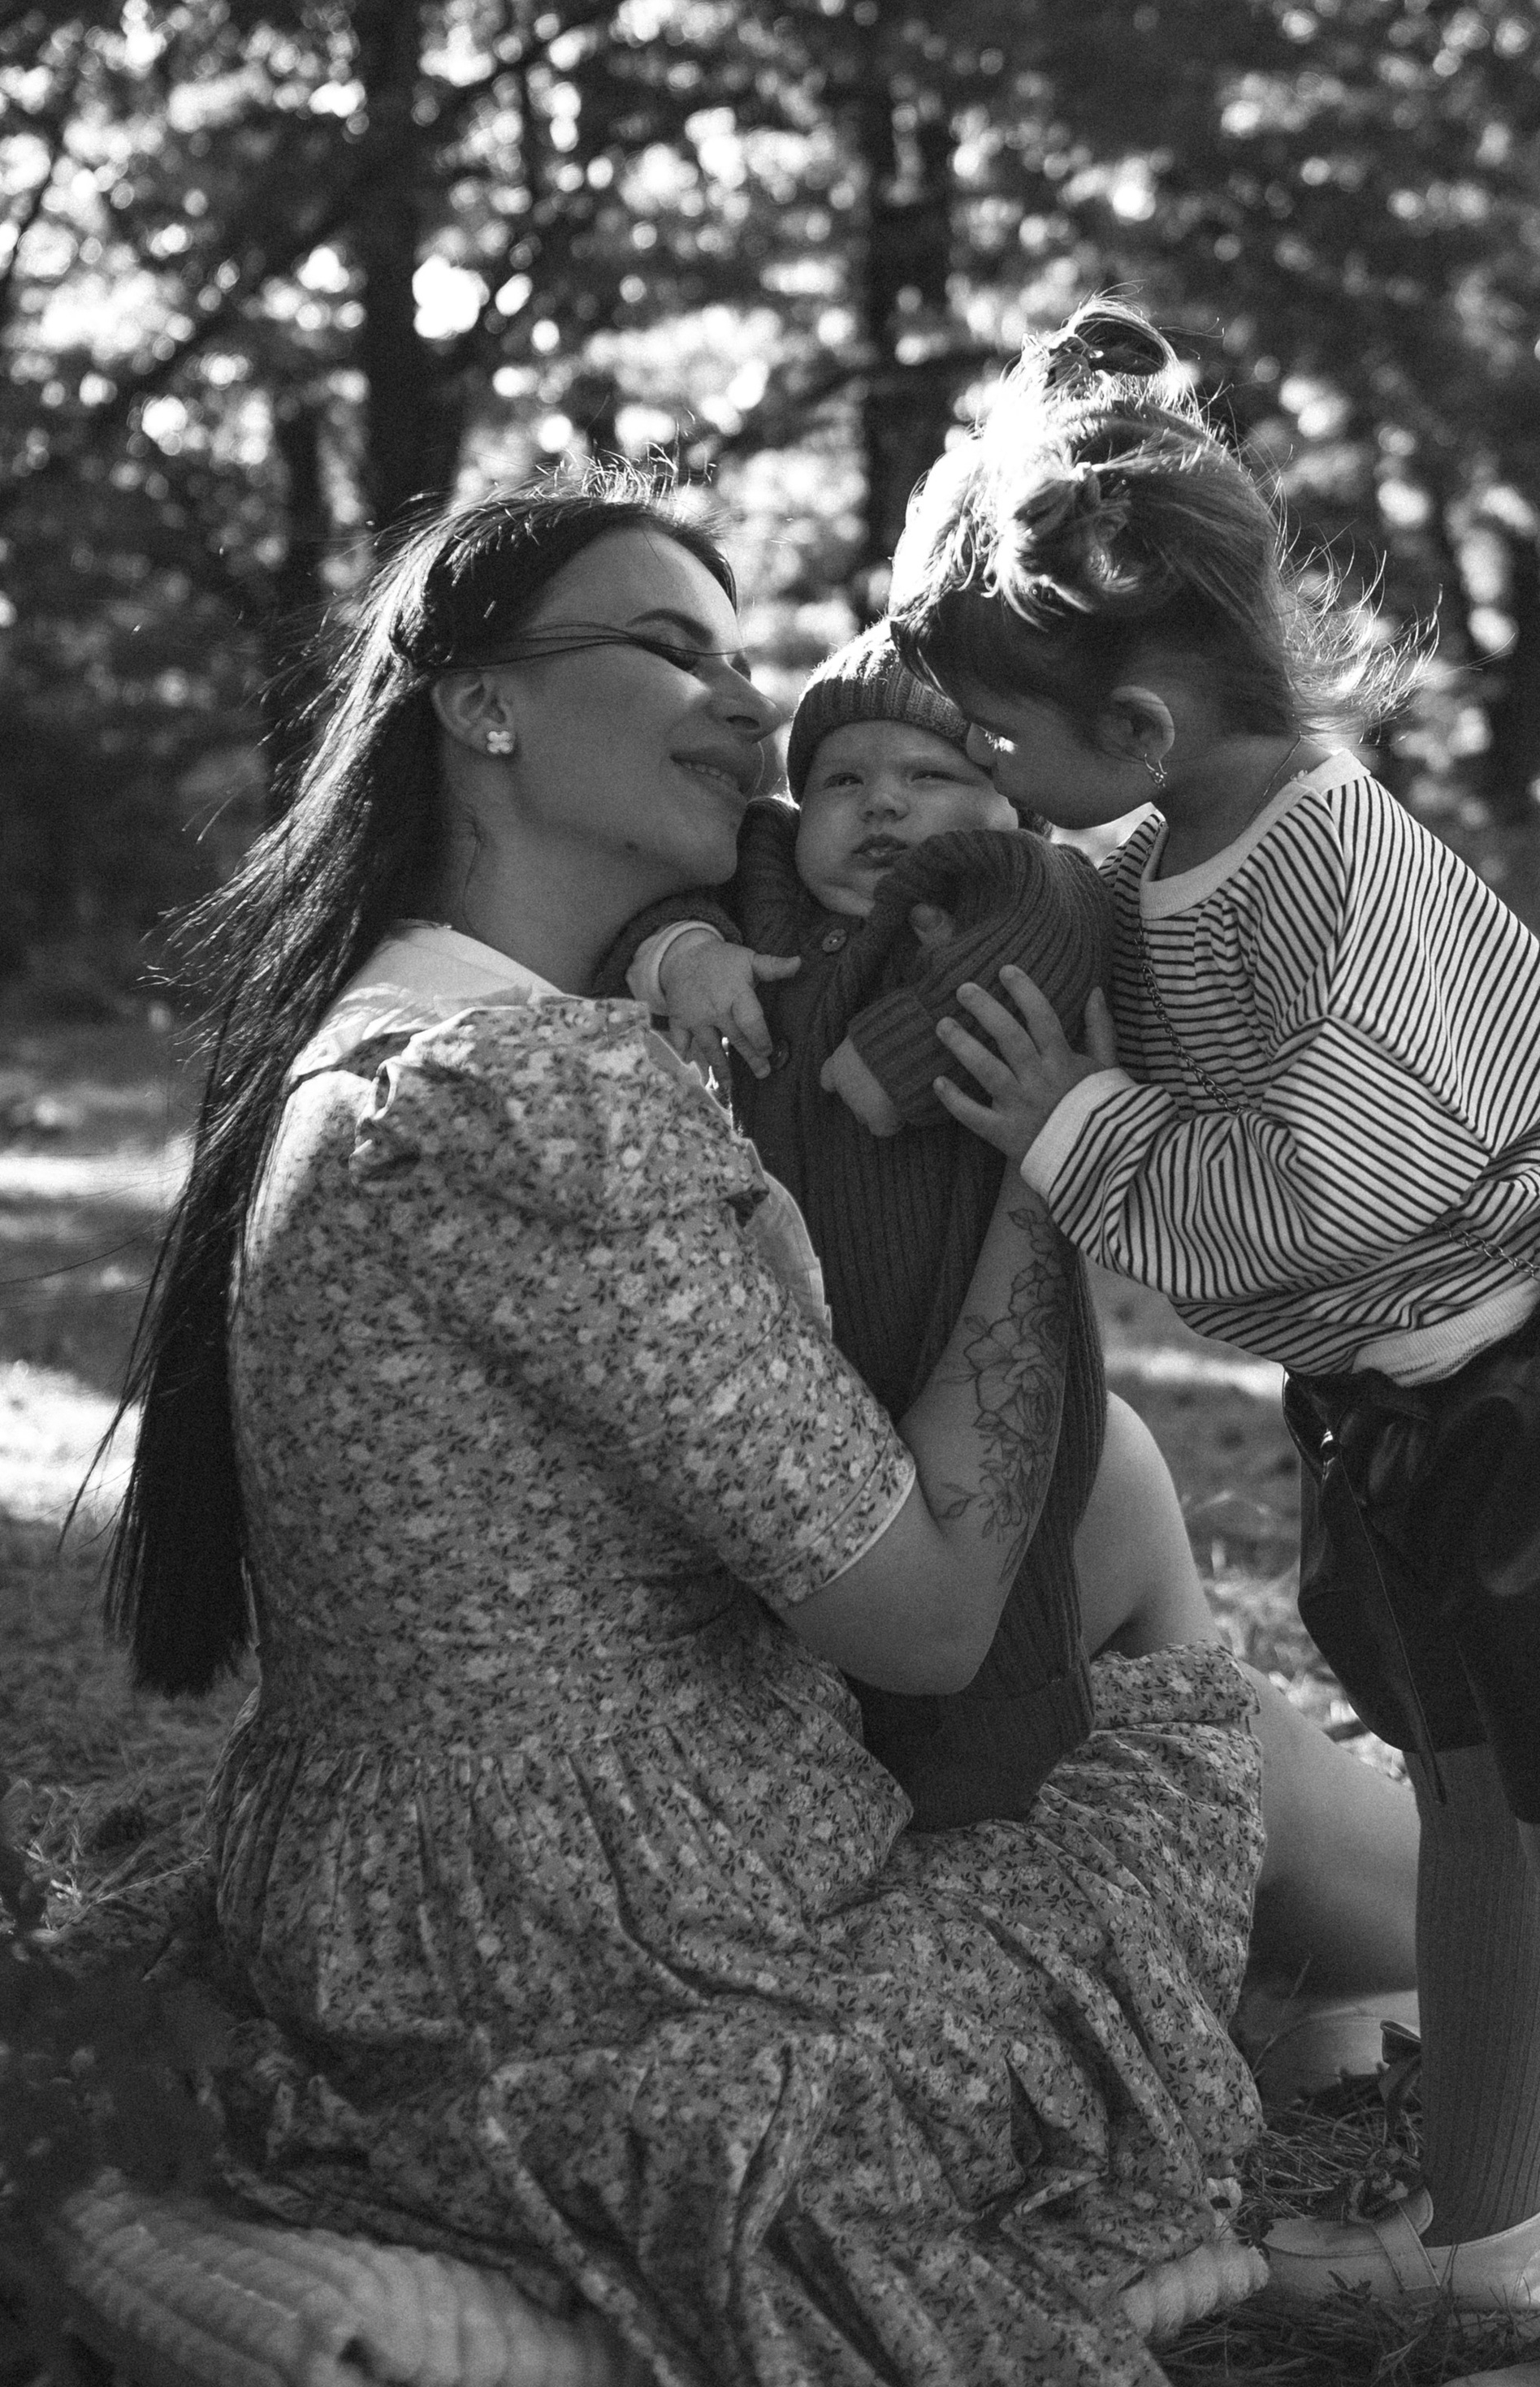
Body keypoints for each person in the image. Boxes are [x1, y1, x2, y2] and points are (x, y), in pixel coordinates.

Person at [103, 470, 1274, 2387]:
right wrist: (1047, 1171)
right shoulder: (524, 1099)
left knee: (1135, 1501)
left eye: (745, 663)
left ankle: (1465, 1932)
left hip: (420, 1874)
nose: (747, 713)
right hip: (609, 1939)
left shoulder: (394, 1034)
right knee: (1153, 1665)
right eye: (671, 649)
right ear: (478, 705)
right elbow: (920, 1613)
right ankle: (1501, 1931)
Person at [883, 307, 1540, 2387]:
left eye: (993, 737)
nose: (985, 774)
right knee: (1476, 1824)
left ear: (1140, 715)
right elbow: (1095, 901)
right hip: (1427, 1432)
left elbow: (1321, 1181)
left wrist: (1073, 1126)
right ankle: (1482, 2232)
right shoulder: (1179, 839)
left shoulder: (1338, 867)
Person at [604, 619, 1423, 2054]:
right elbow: (674, 895)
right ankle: (1333, 1987)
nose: (885, 806)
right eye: (846, 779)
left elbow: (1043, 936)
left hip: (988, 1413)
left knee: (1025, 1719)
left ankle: (1488, 1964)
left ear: (1009, 795)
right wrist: (681, 955)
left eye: (931, 774)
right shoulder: (770, 912)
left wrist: (883, 1067)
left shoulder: (1016, 876)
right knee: (942, 1712)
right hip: (830, 1436)